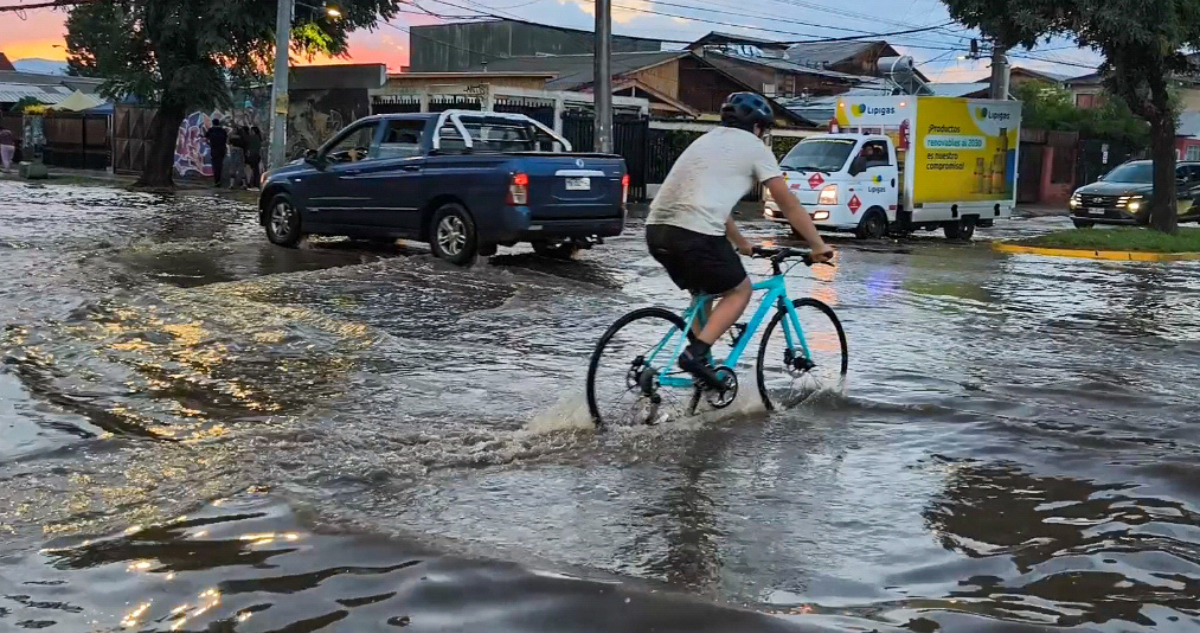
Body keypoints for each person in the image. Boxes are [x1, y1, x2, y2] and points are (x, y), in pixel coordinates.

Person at [645, 92, 835, 389]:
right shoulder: (754, 147)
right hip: (695, 233)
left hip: (656, 231)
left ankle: (702, 371)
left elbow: (713, 206)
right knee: (739, 291)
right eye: (765, 129)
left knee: (703, 294)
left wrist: (743, 244)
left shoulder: (705, 142)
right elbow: (788, 203)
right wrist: (818, 245)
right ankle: (695, 355)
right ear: (758, 127)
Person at [204, 119, 228, 187]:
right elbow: (226, 140)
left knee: (215, 165)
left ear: (213, 123)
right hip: (222, 149)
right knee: (220, 164)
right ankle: (219, 180)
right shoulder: (223, 131)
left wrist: (210, 144)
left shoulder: (211, 130)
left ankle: (216, 181)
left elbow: (205, 139)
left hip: (214, 149)